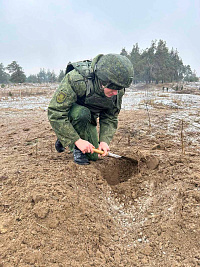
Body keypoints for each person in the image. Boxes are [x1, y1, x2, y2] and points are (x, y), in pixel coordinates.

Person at [48, 53, 133, 165]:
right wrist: (77, 141)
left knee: (93, 156)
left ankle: (66, 135)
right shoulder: (76, 79)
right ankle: (71, 141)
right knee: (81, 113)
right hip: (74, 115)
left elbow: (110, 116)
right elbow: (56, 112)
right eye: (112, 89)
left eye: (119, 89)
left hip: (89, 118)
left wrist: (104, 141)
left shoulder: (117, 87)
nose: (116, 93)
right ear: (102, 82)